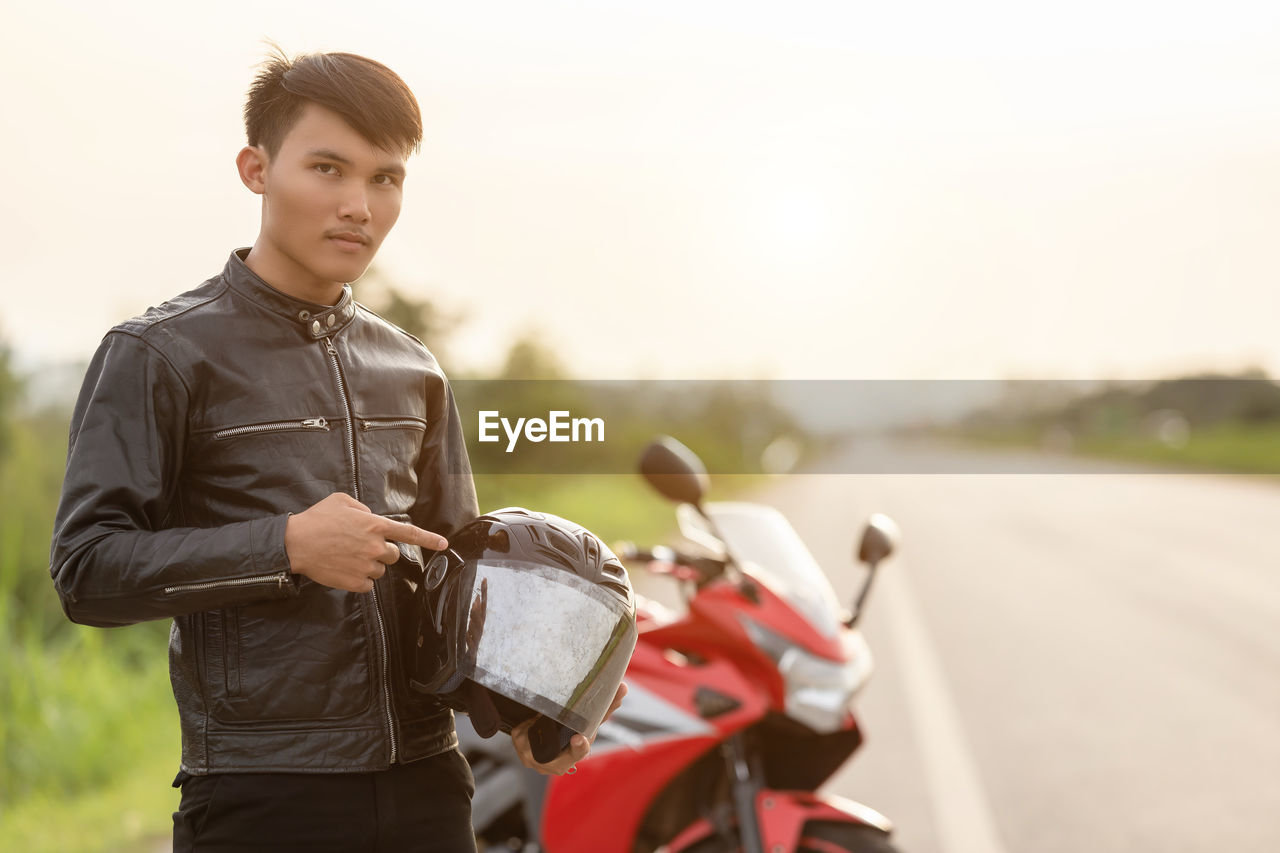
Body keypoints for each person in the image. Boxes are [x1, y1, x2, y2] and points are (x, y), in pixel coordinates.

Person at [49, 48, 621, 852]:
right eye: (328, 168)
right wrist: (286, 546)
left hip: (429, 789)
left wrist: (523, 702)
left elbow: (456, 585)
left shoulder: (415, 370)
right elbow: (87, 570)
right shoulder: (160, 354)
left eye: (385, 179)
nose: (359, 204)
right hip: (261, 797)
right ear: (256, 168)